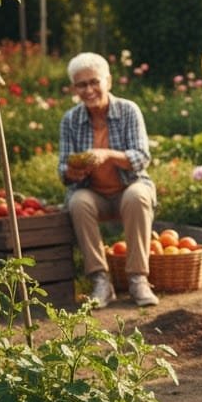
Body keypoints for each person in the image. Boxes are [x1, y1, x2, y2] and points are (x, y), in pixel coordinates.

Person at [58, 52, 158, 309]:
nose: (89, 89)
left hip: (129, 187)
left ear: (108, 81)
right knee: (78, 202)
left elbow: (141, 157)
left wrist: (107, 155)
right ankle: (101, 281)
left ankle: (137, 279)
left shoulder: (128, 110)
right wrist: (73, 172)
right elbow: (63, 169)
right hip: (94, 194)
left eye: (94, 82)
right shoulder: (70, 120)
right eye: (82, 84)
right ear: (74, 88)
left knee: (138, 196)